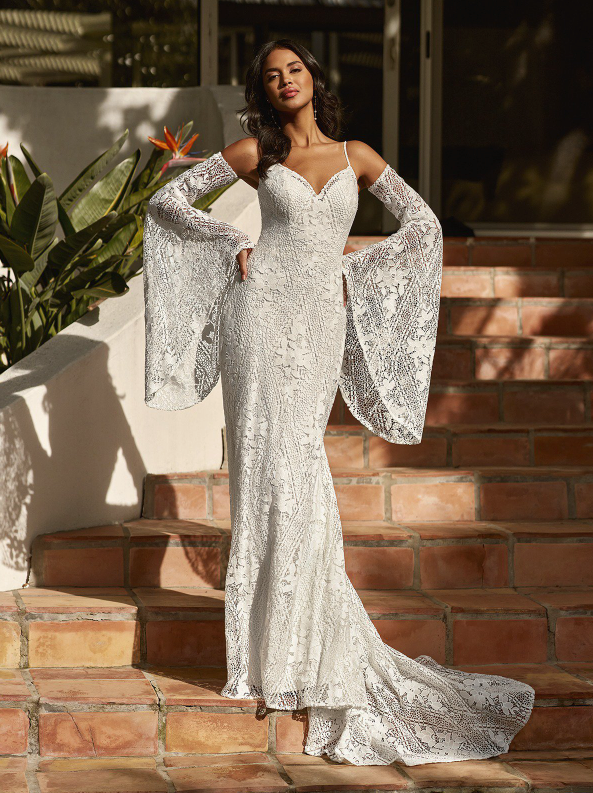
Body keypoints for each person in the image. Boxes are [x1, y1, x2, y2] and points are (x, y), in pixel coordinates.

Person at [143, 38, 535, 767]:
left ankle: (302, 646)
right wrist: (231, 240)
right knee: (265, 473)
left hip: (319, 319)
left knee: (298, 467)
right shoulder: (255, 153)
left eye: (294, 69)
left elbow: (422, 225)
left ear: (313, 80)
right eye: (271, 74)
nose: (285, 80)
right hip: (258, 319)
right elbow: (167, 200)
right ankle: (272, 660)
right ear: (263, 91)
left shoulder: (356, 153)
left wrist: (359, 255)